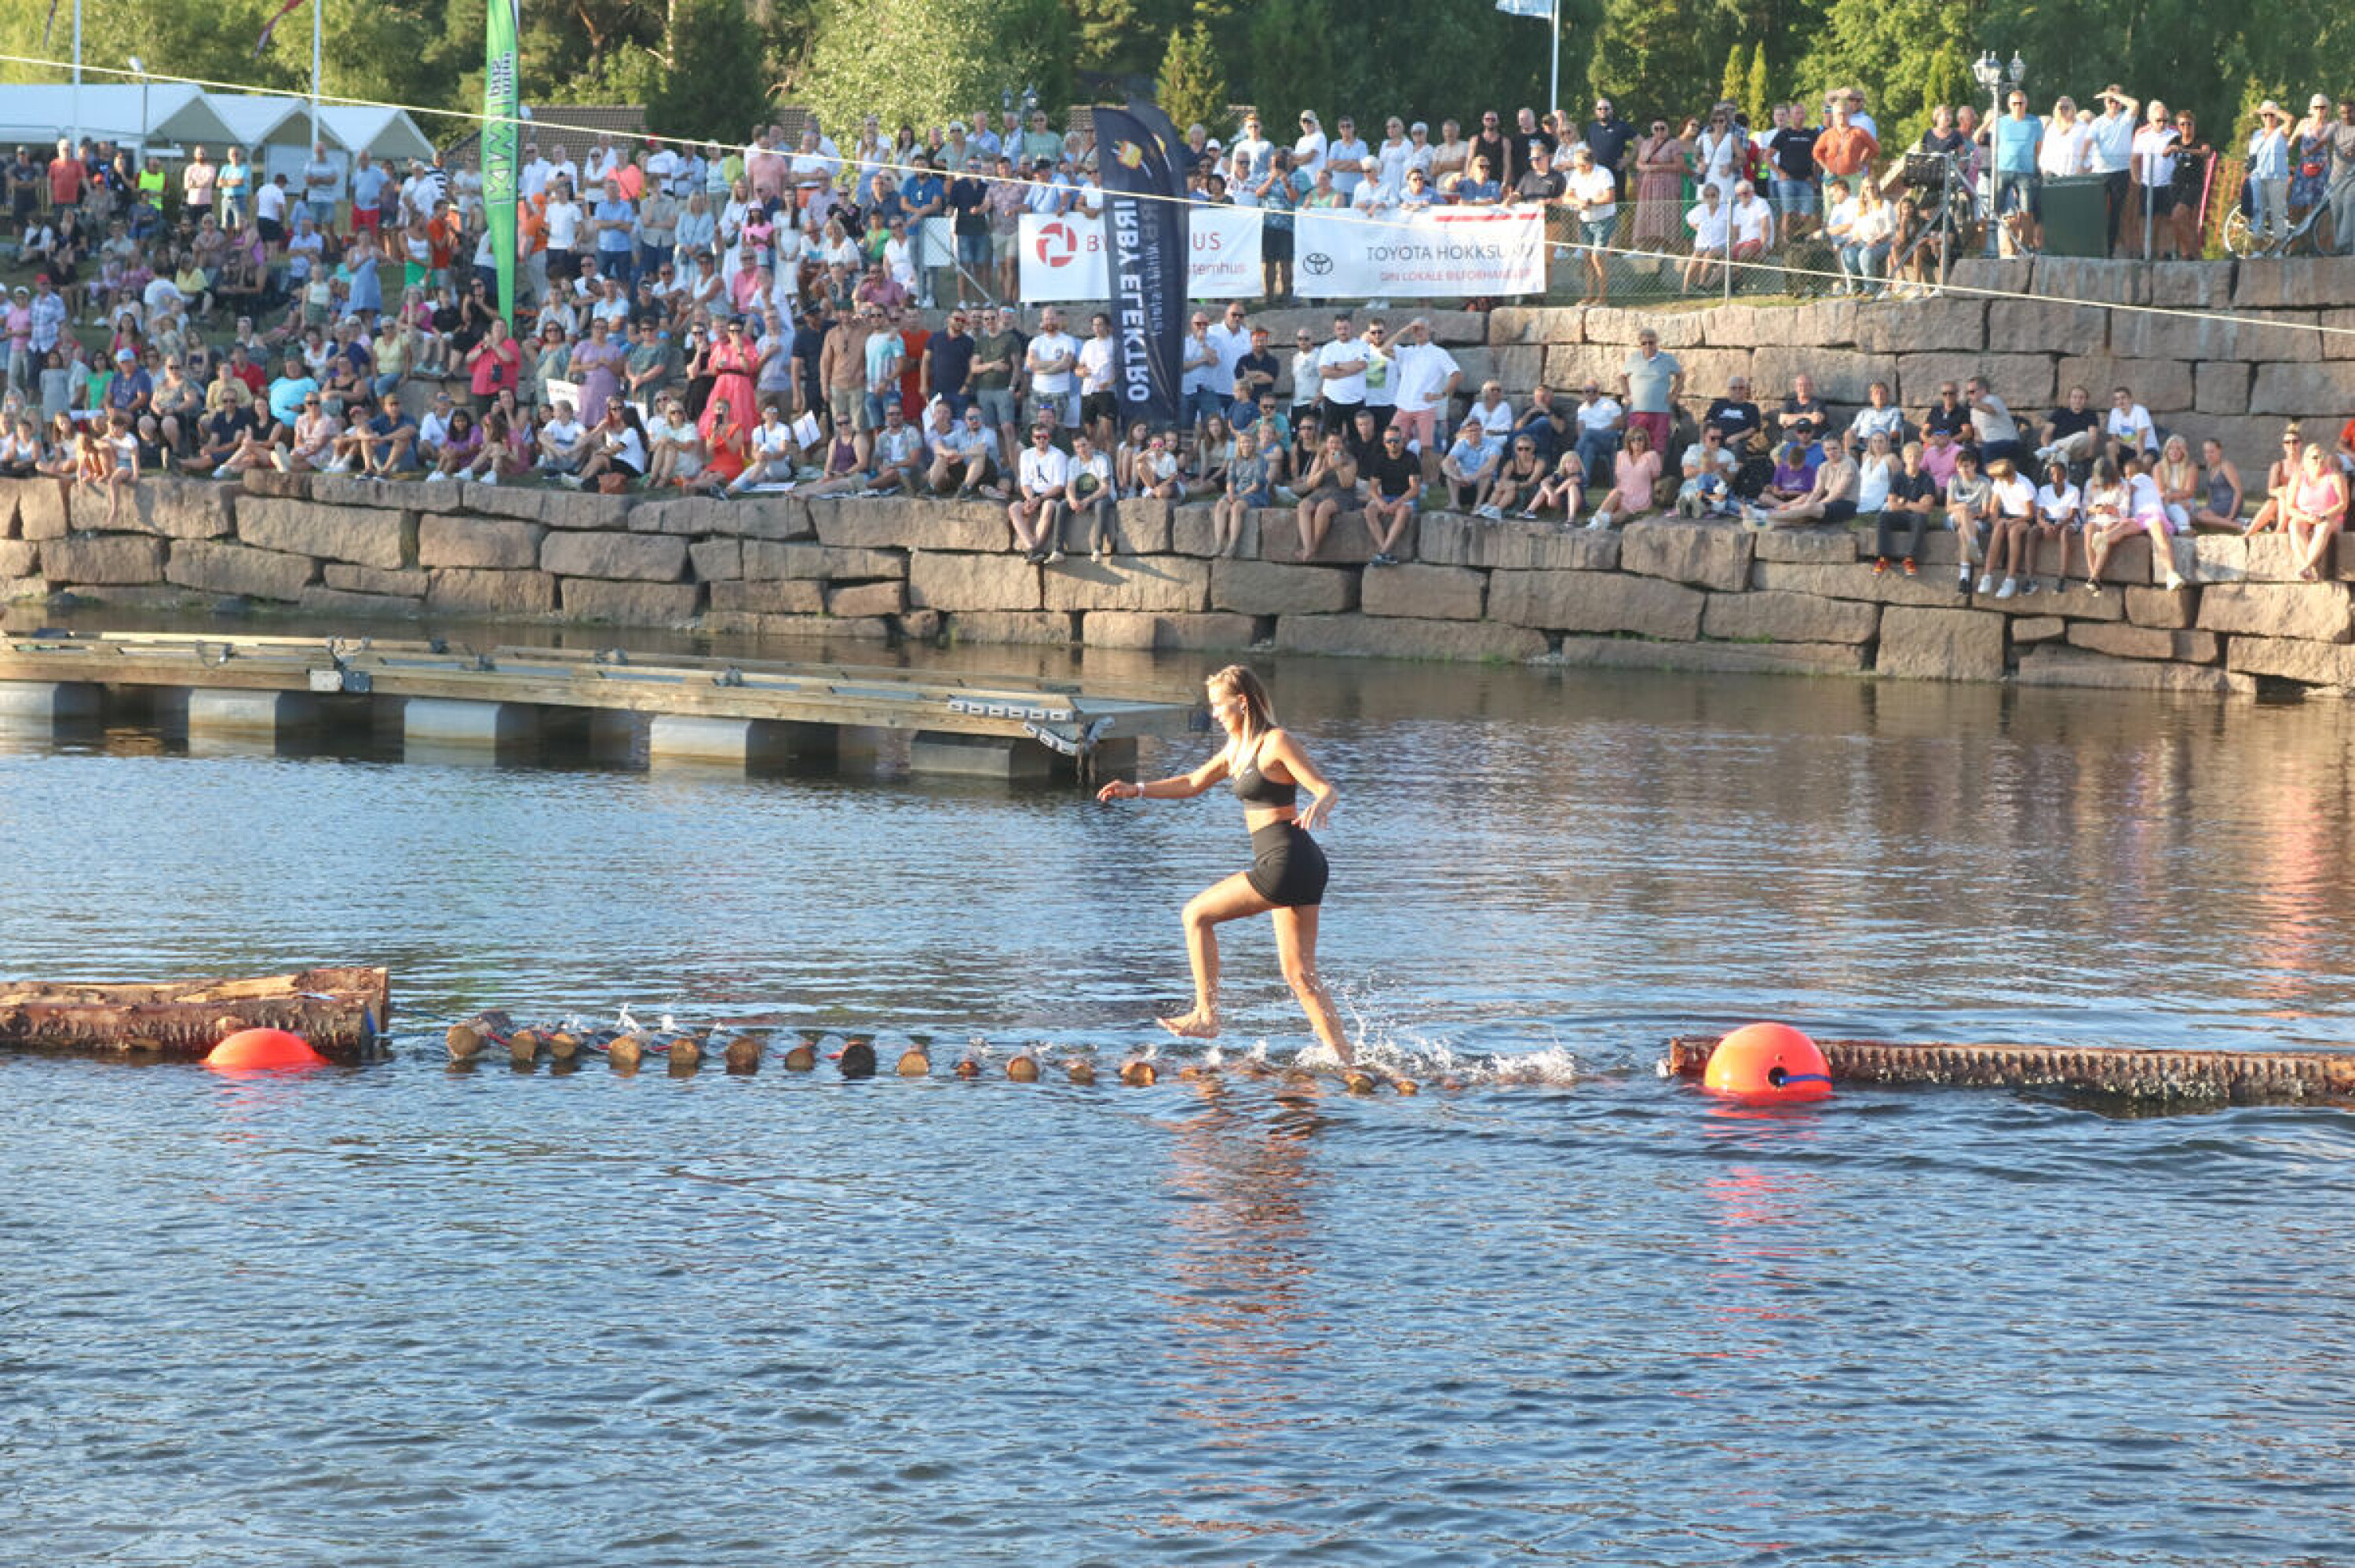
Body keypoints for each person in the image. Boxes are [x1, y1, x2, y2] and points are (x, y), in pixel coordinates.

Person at [1095, 665, 1352, 1066]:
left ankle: (1207, 1015)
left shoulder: (1275, 742)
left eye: (1219, 704)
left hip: (1287, 859)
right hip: (1299, 863)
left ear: (1242, 702)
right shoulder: (1237, 748)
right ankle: (1346, 1060)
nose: (1214, 713)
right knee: (1299, 975)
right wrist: (1137, 789)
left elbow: (1325, 787)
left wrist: (1320, 801)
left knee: (1195, 914)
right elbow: (1192, 782)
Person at [2281, 440, 2347, 583]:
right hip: (2305, 516)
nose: (2320, 460)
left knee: (2323, 527)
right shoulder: (2298, 477)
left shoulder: (2336, 477)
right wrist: (2306, 517)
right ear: (2306, 460)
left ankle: (2306, 566)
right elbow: (2289, 507)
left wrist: (2323, 516)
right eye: (2315, 457)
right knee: (2294, 525)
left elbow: (2343, 504)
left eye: (2322, 456)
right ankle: (2308, 569)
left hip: (2330, 517)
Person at [1973, 455, 2038, 598]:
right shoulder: (1999, 482)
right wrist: (1997, 522)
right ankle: (1987, 575)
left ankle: (2010, 579)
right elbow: (1994, 506)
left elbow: (2030, 514)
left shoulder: (2024, 486)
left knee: (2014, 532)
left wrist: (2012, 522)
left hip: (2025, 519)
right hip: (2008, 516)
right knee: (1998, 529)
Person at [1872, 440, 1939, 576]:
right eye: (1910, 456)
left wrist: (1905, 502)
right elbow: (1893, 505)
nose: (1913, 460)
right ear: (1904, 459)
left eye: (1916, 457)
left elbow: (1926, 509)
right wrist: (1916, 505)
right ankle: (1884, 558)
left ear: (1921, 458)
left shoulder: (1927, 480)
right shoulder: (1898, 478)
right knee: (1883, 516)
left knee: (1920, 518)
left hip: (1916, 518)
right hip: (1900, 516)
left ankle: (1909, 559)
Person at [1590, 422, 1659, 530]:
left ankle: (1595, 523)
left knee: (1624, 508)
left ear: (1645, 441)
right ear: (1629, 442)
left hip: (1640, 495)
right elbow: (1618, 477)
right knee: (1616, 493)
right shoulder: (1621, 455)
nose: (1636, 442)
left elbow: (1656, 475)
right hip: (1621, 491)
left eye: (1640, 439)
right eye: (1633, 439)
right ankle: (1597, 523)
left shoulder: (1651, 456)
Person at [2191, 437, 2245, 533]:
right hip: (2217, 504)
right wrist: (2208, 508)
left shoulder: (2226, 466)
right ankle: (2232, 522)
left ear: (2219, 451)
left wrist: (2231, 515)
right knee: (2192, 518)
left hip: (2230, 503)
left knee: (2201, 516)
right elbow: (2210, 492)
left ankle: (2237, 525)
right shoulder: (2211, 467)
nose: (2208, 455)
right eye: (2206, 452)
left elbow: (2238, 491)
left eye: (2212, 452)